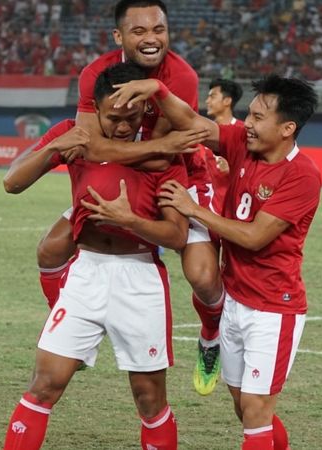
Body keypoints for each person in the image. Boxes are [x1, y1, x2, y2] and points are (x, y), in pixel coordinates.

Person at [111, 75, 321, 449]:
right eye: (250, 115)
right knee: (247, 408)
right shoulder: (243, 143)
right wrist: (160, 91)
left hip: (273, 309)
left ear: (288, 128)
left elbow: (255, 237)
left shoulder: (302, 174)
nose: (249, 124)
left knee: (256, 410)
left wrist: (194, 210)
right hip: (235, 302)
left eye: (258, 118)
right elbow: (195, 124)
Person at [33, 0, 226, 397]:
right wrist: (115, 156)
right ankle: (69, 322)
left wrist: (143, 151)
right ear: (119, 36)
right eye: (140, 31)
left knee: (204, 277)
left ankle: (210, 337)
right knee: (51, 249)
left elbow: (163, 158)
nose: (152, 39)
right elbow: (91, 148)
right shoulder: (95, 75)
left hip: (180, 173)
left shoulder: (182, 77)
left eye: (159, 29)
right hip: (124, 173)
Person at [2, 62, 188, 450]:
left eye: (132, 117)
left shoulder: (162, 152)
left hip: (139, 279)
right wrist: (54, 147)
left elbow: (176, 235)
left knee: (149, 399)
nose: (123, 126)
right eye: (113, 118)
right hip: (85, 273)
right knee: (43, 386)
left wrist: (131, 220)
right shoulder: (75, 137)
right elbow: (12, 182)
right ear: (95, 109)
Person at [204, 78, 245, 213]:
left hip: (233, 207)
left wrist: (234, 169)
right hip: (207, 204)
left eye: (212, 96)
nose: (207, 101)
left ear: (227, 101)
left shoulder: (244, 132)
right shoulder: (205, 131)